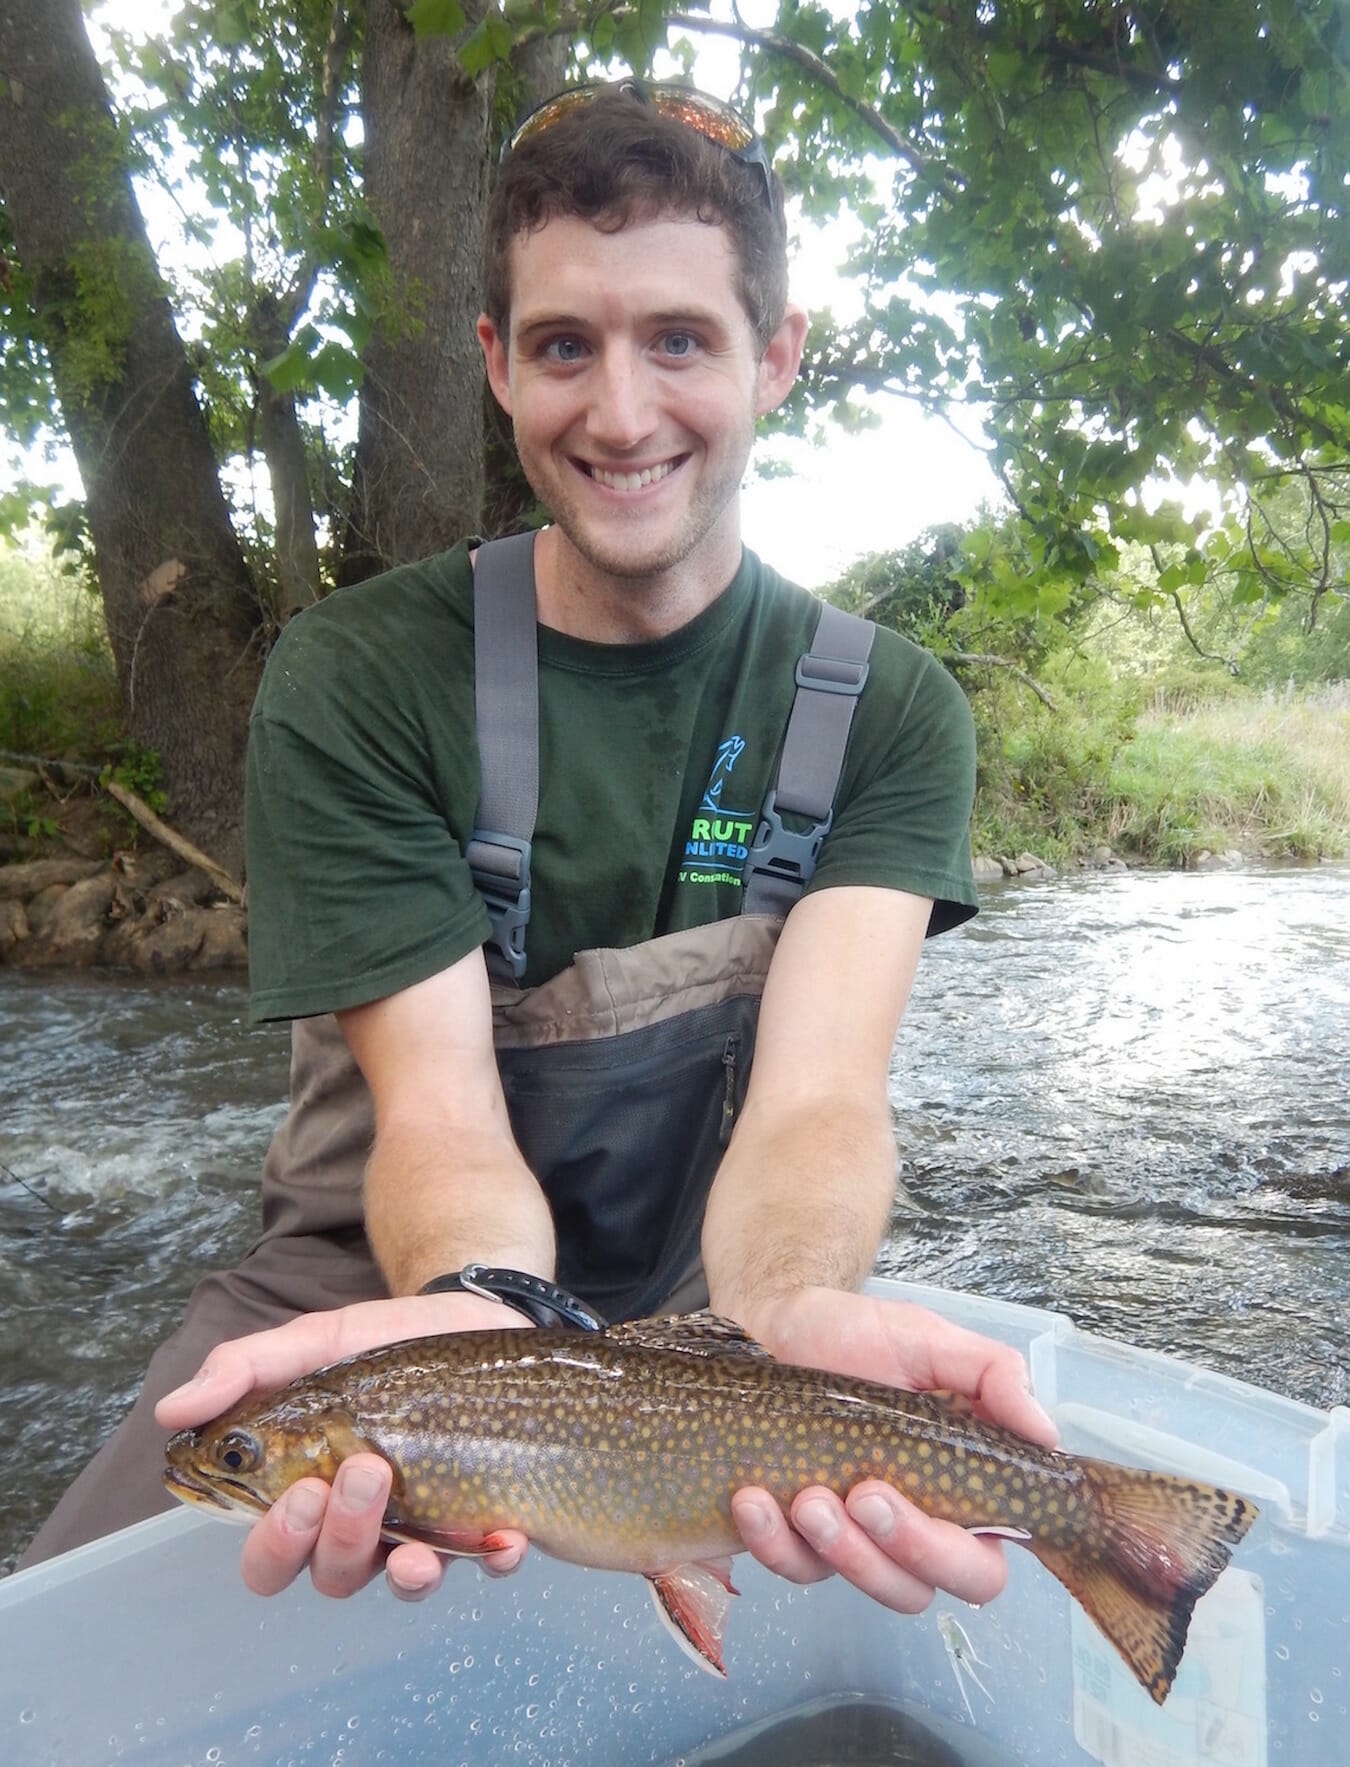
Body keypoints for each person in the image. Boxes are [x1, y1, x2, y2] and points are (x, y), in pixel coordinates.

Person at [22, 81, 1055, 1616]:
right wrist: (490, 1329)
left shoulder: (889, 711)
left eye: (680, 341)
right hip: (378, 1308)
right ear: (499, 364)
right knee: (66, 1658)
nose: (620, 413)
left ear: (774, 357)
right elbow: (436, 1122)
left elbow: (818, 1105)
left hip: (718, 1345)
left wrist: (790, 1305)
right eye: (566, 345)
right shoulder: (358, 676)